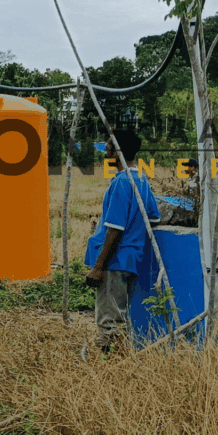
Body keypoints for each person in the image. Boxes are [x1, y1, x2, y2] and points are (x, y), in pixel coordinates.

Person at [84, 129, 160, 353]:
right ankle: (118, 358)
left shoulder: (121, 183)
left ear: (117, 153)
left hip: (114, 262)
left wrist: (99, 266)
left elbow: (115, 229)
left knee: (109, 318)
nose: (105, 153)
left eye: (107, 149)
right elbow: (153, 217)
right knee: (120, 314)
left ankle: (110, 363)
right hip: (132, 258)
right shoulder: (141, 180)